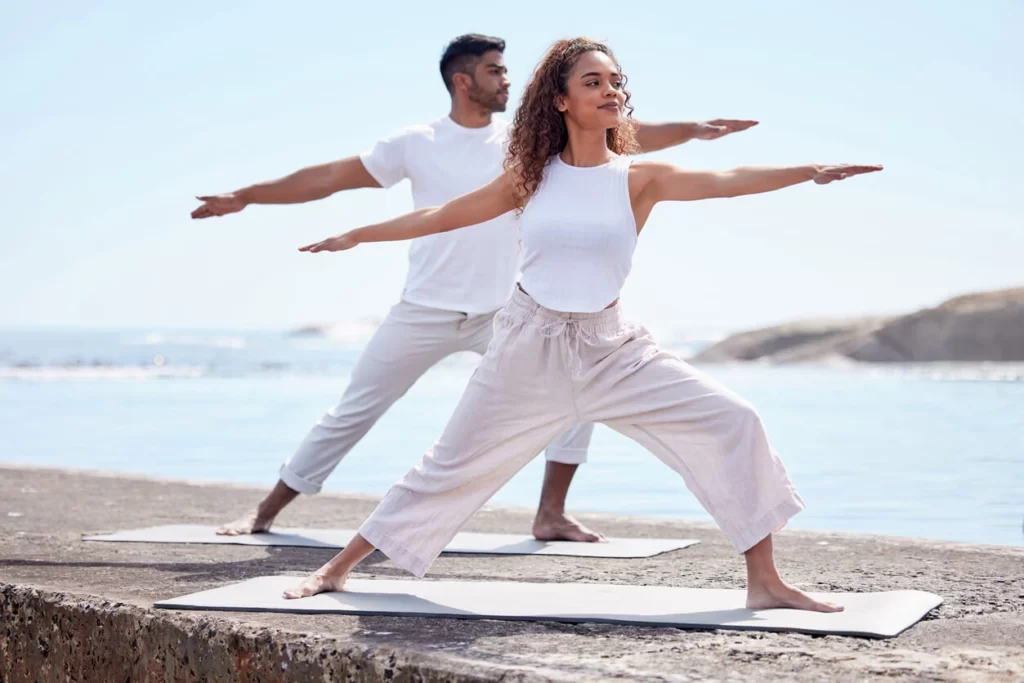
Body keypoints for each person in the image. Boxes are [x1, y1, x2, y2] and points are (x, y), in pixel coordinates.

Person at [281, 36, 882, 611]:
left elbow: (727, 182)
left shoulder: (640, 178)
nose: (610, 90)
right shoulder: (531, 177)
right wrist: (358, 234)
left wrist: (809, 170)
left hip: (612, 348)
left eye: (616, 81)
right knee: (450, 464)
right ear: (562, 100)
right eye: (593, 81)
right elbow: (445, 216)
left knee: (734, 421)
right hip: (527, 347)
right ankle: (336, 569)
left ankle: (765, 582)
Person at [191, 33, 758, 543]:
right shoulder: (414, 143)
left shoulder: (527, 141)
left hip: (507, 314)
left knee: (578, 396)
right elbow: (329, 178)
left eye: (508, 70)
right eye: (494, 70)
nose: (507, 79)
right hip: (426, 307)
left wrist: (692, 131)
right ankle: (266, 511)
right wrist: (246, 195)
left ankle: (550, 514)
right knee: (354, 410)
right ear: (463, 80)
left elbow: (621, 133)